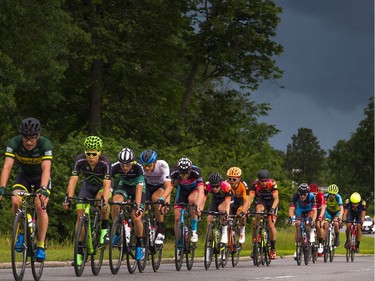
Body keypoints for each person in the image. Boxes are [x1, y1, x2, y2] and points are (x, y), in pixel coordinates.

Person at [0, 117, 52, 261]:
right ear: (21, 136)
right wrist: (2, 188)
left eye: (32, 138)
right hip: (24, 177)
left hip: (41, 178)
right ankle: (22, 230)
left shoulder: (45, 144)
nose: (29, 142)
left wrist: (42, 188)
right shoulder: (14, 143)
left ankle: (41, 245)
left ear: (38, 136)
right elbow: (7, 167)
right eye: (26, 138)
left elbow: (46, 169)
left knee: (40, 207)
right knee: (15, 200)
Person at [63, 136, 112, 266]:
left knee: (100, 202)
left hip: (102, 188)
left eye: (94, 154)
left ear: (99, 153)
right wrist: (68, 197)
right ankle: (79, 252)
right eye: (88, 153)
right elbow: (73, 180)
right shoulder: (80, 160)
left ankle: (104, 228)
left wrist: (105, 202)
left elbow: (107, 185)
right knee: (80, 215)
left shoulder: (105, 162)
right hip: (87, 187)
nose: (90, 157)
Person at [111, 147, 146, 261]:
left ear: (132, 162)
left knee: (136, 217)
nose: (125, 167)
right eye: (122, 165)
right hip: (124, 186)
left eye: (127, 165)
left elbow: (139, 188)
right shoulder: (115, 166)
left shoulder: (138, 167)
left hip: (138, 187)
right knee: (116, 202)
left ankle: (140, 244)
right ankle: (116, 229)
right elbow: (107, 180)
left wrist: (137, 205)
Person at [159, 157, 204, 243]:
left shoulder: (196, 171)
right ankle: (179, 242)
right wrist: (166, 203)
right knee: (177, 218)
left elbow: (201, 191)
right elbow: (169, 189)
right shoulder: (174, 172)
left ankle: (194, 230)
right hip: (182, 191)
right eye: (182, 174)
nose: (184, 177)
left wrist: (198, 205)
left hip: (194, 190)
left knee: (192, 200)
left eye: (186, 174)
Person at [138, 149, 171, 245]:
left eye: (149, 165)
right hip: (147, 186)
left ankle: (160, 231)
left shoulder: (162, 165)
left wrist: (163, 200)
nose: (147, 168)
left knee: (156, 199)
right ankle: (143, 239)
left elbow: (168, 187)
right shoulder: (141, 167)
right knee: (140, 211)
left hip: (160, 186)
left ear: (155, 162)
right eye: (145, 166)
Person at [249, 169, 279, 259]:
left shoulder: (272, 184)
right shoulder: (254, 185)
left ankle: (273, 249)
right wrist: (247, 209)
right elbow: (250, 199)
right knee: (257, 214)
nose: (263, 183)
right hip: (262, 202)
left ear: (268, 179)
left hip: (272, 203)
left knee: (270, 225)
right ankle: (255, 243)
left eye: (265, 181)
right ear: (258, 180)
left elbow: (276, 199)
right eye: (261, 181)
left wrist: (273, 209)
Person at [287, 183, 317, 259]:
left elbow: (314, 210)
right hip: (300, 210)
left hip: (309, 210)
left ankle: (311, 232)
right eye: (301, 194)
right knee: (297, 224)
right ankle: (297, 248)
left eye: (304, 195)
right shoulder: (295, 195)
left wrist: (313, 221)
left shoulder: (311, 196)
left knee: (309, 222)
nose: (302, 196)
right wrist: (290, 218)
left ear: (308, 194)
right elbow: (291, 208)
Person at [202, 173, 232, 244]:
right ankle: (208, 245)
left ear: (220, 184)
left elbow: (227, 202)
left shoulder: (226, 186)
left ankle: (224, 231)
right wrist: (200, 209)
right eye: (213, 187)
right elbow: (203, 198)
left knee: (221, 210)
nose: (215, 188)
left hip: (225, 200)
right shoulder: (207, 186)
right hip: (215, 200)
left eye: (217, 186)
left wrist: (226, 214)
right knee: (209, 219)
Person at [226, 167, 250, 244]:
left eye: (234, 179)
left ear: (239, 179)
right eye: (229, 179)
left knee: (240, 213)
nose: (231, 181)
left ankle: (242, 232)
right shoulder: (226, 184)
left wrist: (244, 211)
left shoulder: (243, 185)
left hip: (241, 202)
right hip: (231, 202)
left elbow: (246, 200)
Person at [308, 183, 326, 257]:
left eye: (315, 194)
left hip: (319, 210)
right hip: (312, 210)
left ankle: (321, 244)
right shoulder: (308, 196)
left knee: (318, 225)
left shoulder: (320, 195)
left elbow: (323, 207)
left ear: (317, 191)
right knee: (308, 223)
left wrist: (321, 216)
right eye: (312, 193)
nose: (313, 195)